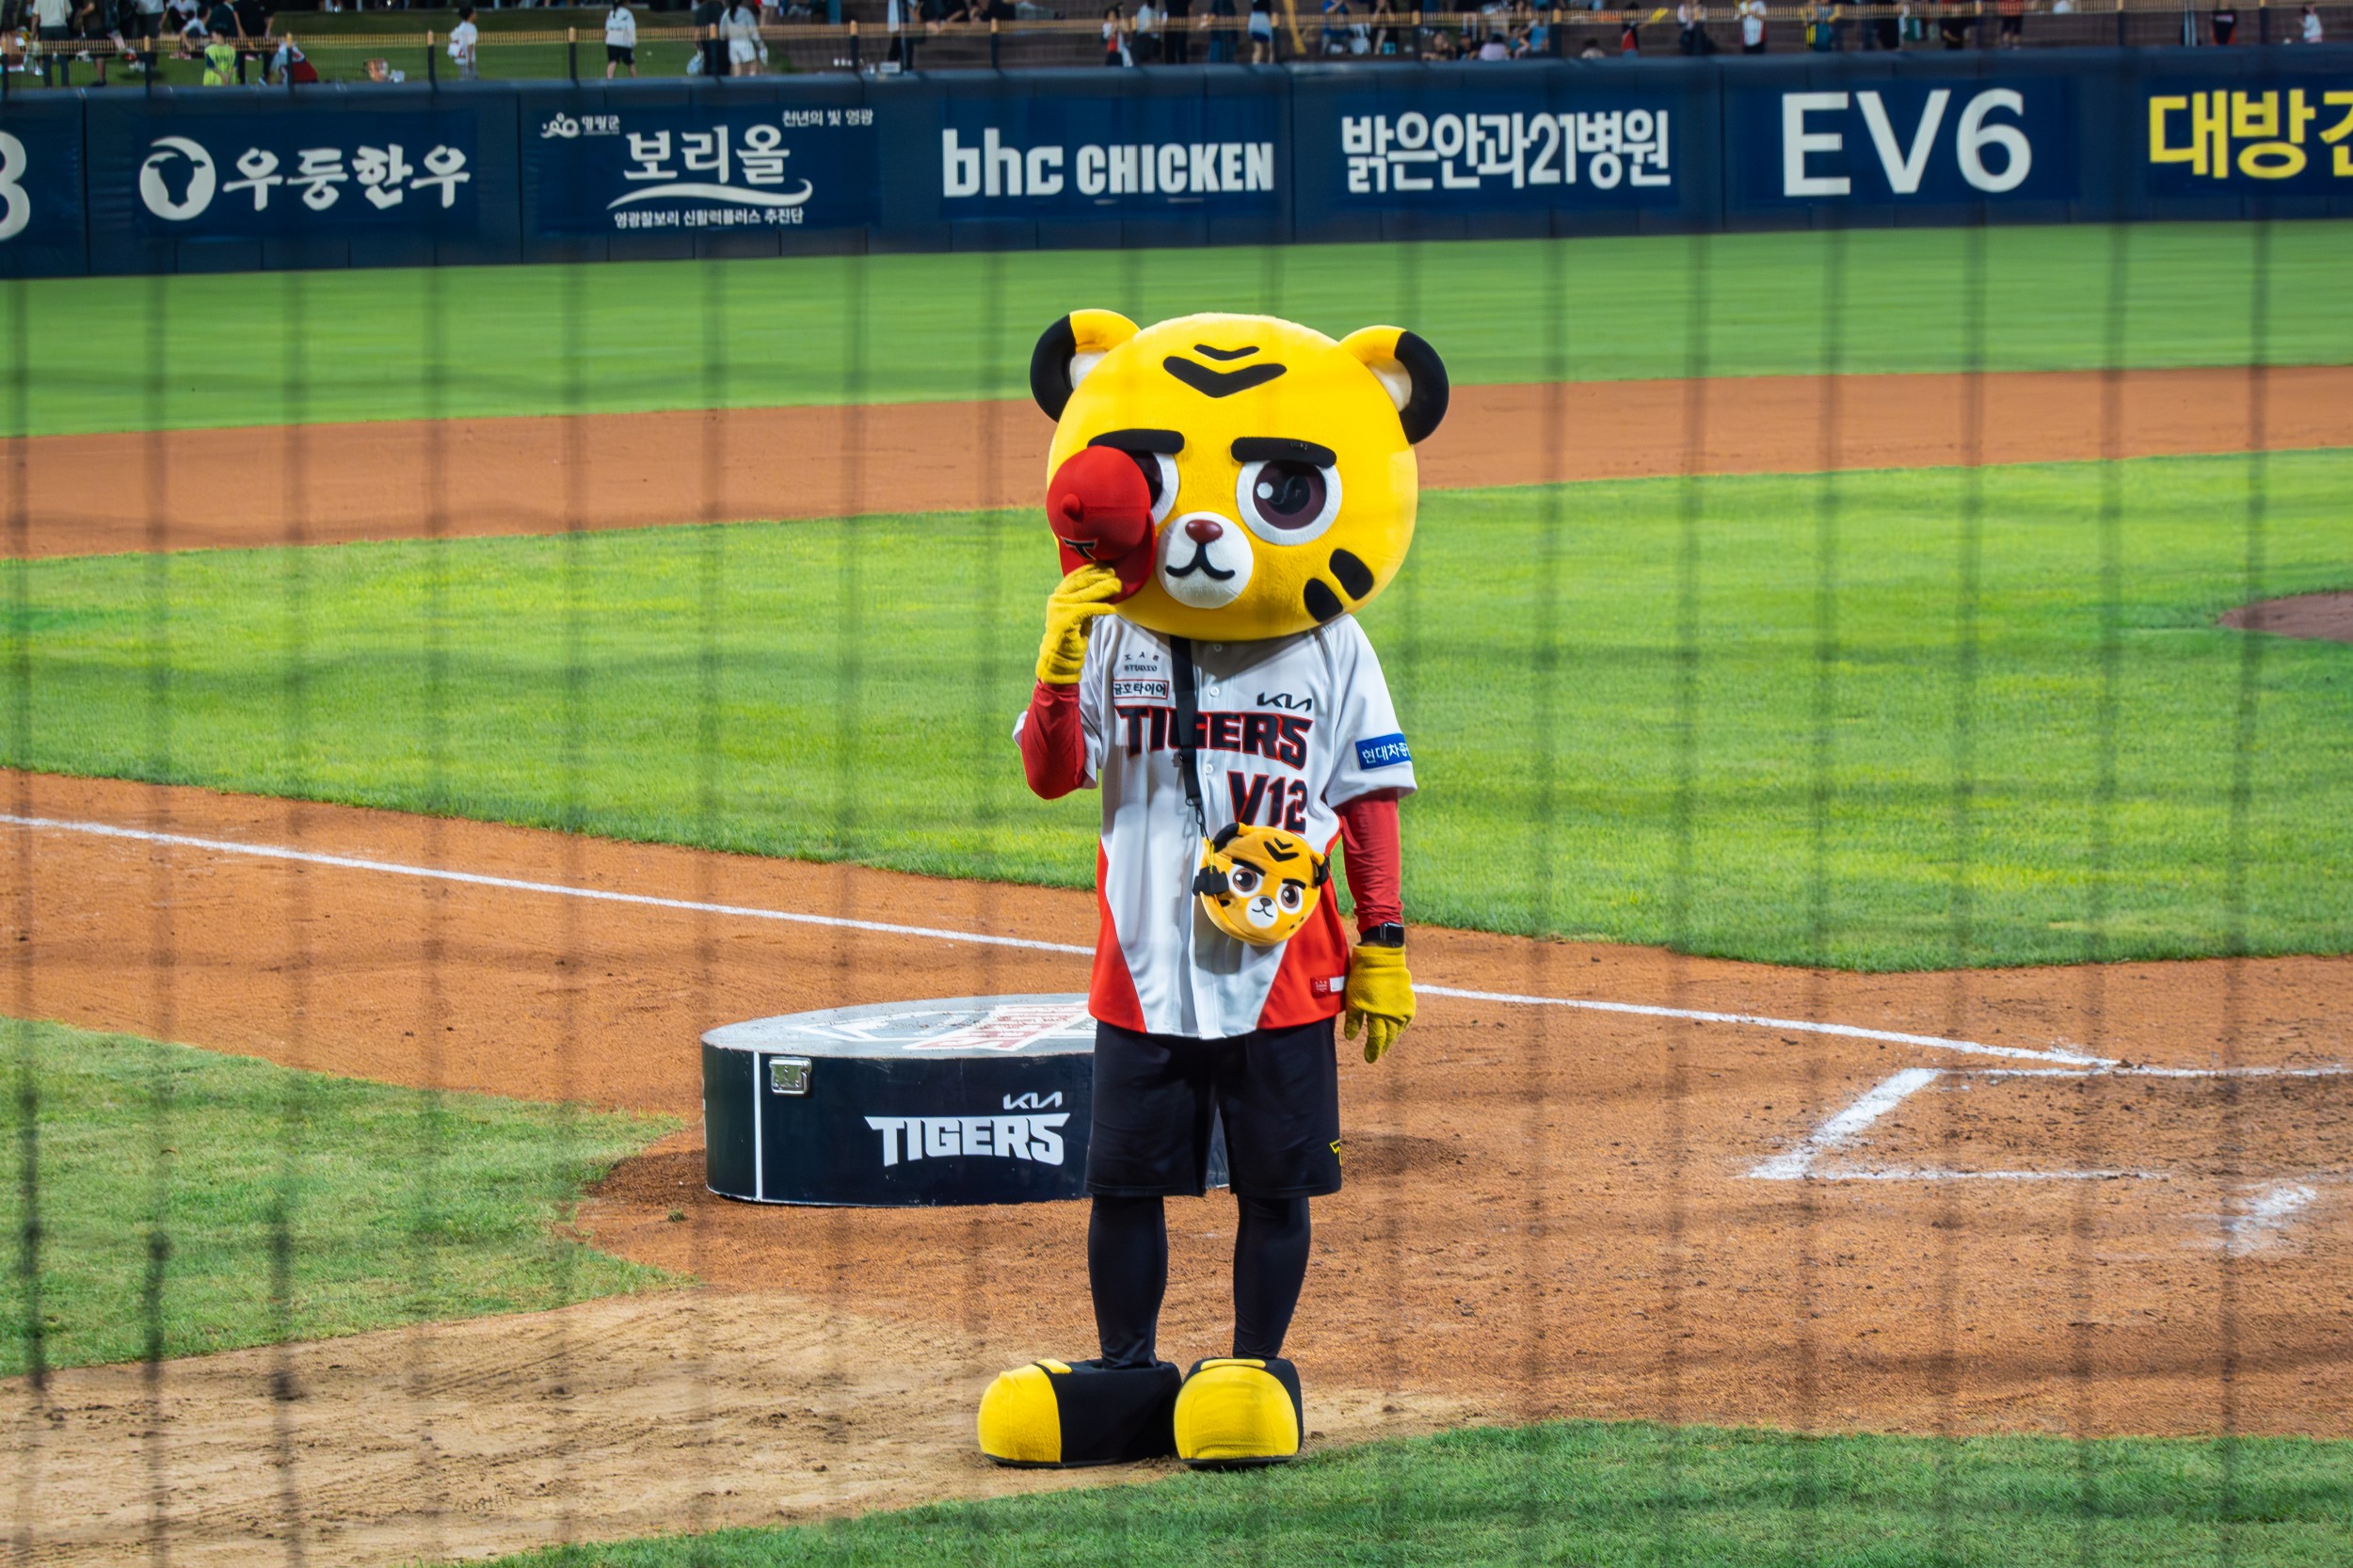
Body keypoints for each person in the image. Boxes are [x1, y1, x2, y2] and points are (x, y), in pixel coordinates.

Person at [980, 311, 1436, 1475]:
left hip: (1284, 967)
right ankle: (1125, 1371)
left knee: (1276, 1185)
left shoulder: (1331, 644)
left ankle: (1250, 1367)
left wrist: (1383, 940)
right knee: (1121, 1183)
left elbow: (1367, 802)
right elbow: (1050, 774)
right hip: (1138, 962)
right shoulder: (1110, 631)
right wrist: (1055, 661)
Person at [721, 0, 760, 72]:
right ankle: (752, 79)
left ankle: (737, 80)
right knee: (752, 64)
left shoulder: (726, 14)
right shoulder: (746, 13)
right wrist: (759, 44)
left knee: (736, 68)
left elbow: (722, 33)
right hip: (745, 42)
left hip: (732, 44)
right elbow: (753, 31)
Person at [603, 0, 635, 74]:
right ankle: (636, 81)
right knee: (630, 63)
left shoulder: (611, 13)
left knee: (612, 62)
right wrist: (632, 42)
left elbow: (607, 28)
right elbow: (631, 28)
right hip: (624, 41)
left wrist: (606, 39)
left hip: (611, 40)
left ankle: (609, 81)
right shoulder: (627, 13)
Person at [446, 3, 477, 78]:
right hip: (467, 58)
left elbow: (453, 37)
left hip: (460, 57)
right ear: (471, 15)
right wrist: (469, 60)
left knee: (463, 76)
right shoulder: (471, 28)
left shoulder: (462, 25)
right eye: (474, 12)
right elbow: (470, 45)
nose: (476, 14)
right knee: (472, 78)